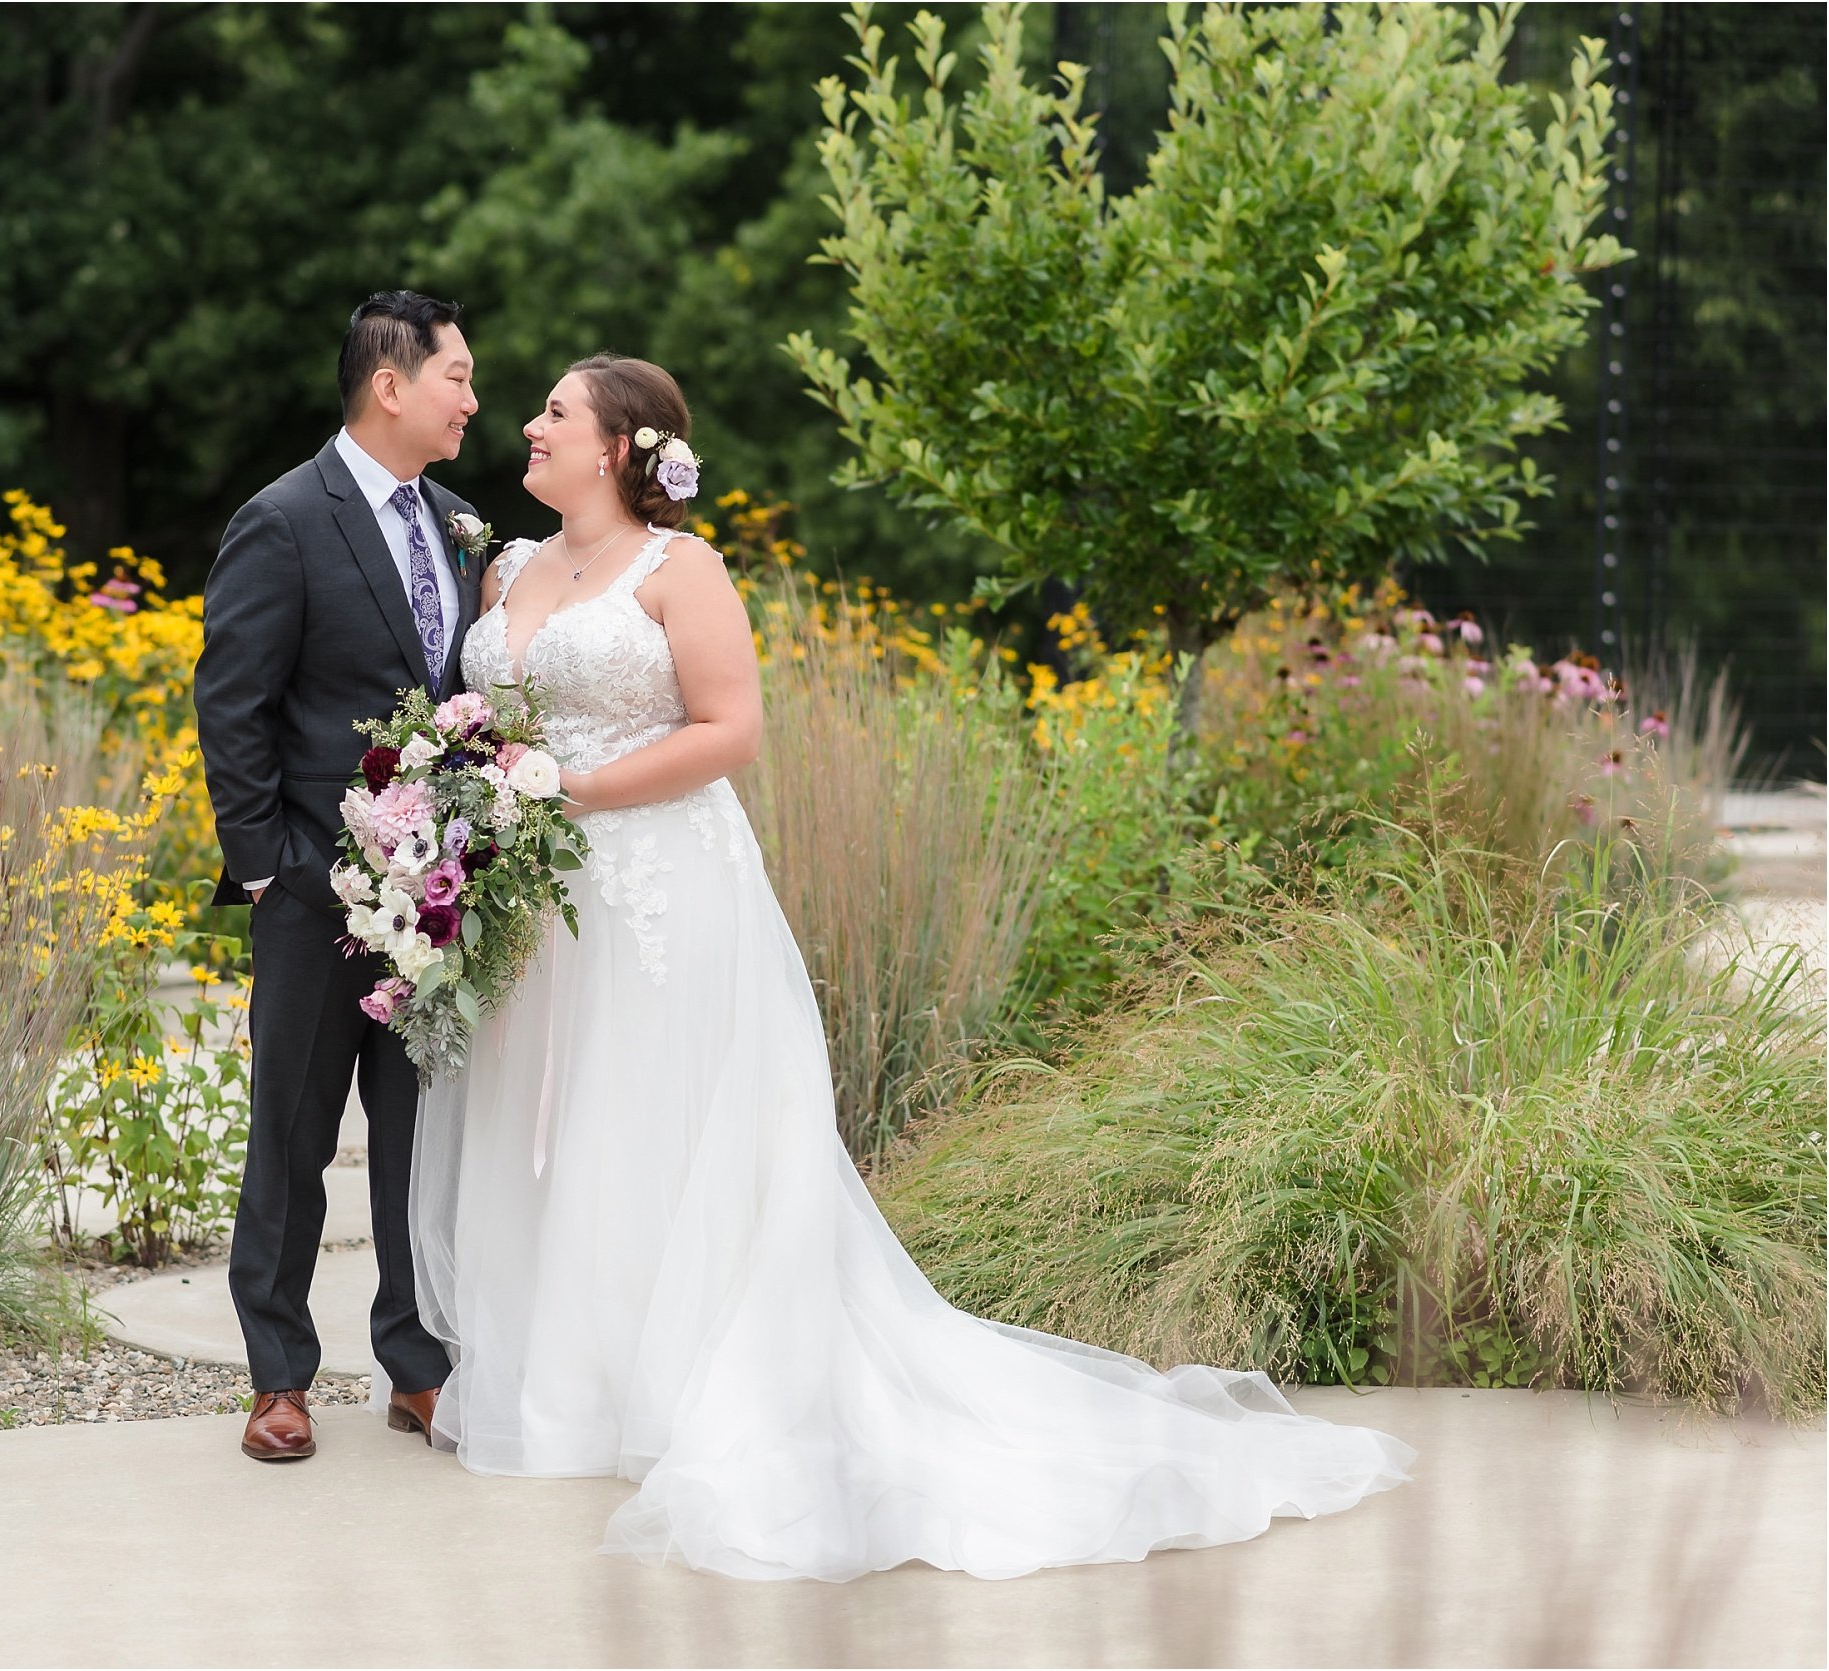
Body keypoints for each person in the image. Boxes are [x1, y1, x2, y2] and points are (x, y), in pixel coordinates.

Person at [410, 352, 1415, 1581]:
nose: (529, 424)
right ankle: (562, 1389)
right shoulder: (508, 565)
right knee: (546, 1130)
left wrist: (571, 786)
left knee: (651, 1122)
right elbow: (487, 717)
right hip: (541, 902)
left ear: (618, 447)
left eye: (555, 414)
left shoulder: (683, 571)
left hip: (656, 881)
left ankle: (671, 1391)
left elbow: (729, 733)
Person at [194, 290, 491, 1462]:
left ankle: (415, 1368)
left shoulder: (465, 523)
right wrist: (268, 870)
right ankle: (278, 1376)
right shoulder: (282, 518)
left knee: (424, 1137)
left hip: (436, 899)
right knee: (293, 1136)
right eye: (457, 378)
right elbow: (234, 703)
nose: (473, 401)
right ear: (391, 384)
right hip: (313, 894)